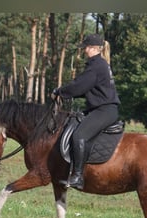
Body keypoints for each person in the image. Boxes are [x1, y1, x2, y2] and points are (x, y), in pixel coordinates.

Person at [51, 33, 120, 190]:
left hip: (104, 110)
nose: (84, 51)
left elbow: (78, 86)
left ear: (94, 48)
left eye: (86, 48)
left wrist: (59, 91)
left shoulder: (96, 66)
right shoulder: (99, 64)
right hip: (103, 108)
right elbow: (87, 88)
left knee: (79, 135)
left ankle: (77, 176)